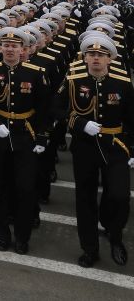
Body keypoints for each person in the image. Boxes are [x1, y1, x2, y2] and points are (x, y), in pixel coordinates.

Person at [55, 34, 133, 268]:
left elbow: (132, 118)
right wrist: (79, 123)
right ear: (85, 58)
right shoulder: (73, 80)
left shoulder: (122, 83)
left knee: (119, 195)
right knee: (85, 199)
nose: (96, 58)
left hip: (115, 145)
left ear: (110, 59)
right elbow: (55, 108)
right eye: (91, 54)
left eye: (101, 55)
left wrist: (132, 149)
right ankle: (90, 249)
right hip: (85, 147)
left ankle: (115, 235)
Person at [0, 27, 50, 254]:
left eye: (14, 46)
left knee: (25, 188)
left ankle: (22, 236)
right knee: (1, 187)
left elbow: (44, 108)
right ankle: (2, 234)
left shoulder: (36, 73)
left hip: (25, 136)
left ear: (22, 49)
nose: (10, 49)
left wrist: (42, 136)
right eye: (6, 45)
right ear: (0, 48)